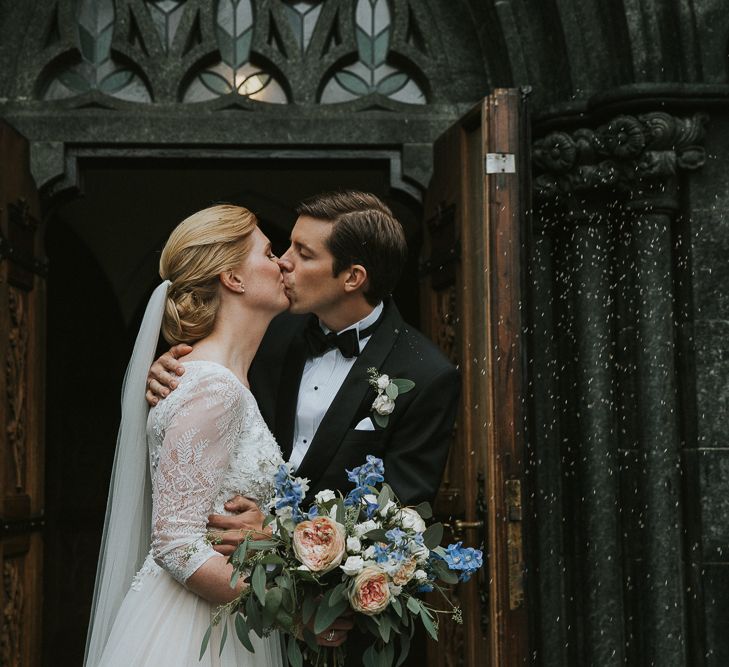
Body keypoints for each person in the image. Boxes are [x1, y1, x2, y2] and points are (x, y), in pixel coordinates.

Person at [85, 204, 346, 667]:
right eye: (269, 252)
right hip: (193, 632)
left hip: (222, 617)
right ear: (234, 278)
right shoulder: (213, 387)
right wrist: (292, 612)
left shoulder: (224, 377)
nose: (284, 262)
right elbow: (175, 542)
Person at [147, 190, 459, 557]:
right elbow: (208, 381)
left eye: (303, 253)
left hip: (325, 605)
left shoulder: (426, 375)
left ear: (352, 277)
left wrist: (282, 534)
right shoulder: (266, 330)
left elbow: (397, 524)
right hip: (220, 571)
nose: (283, 262)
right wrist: (167, 367)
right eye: (286, 247)